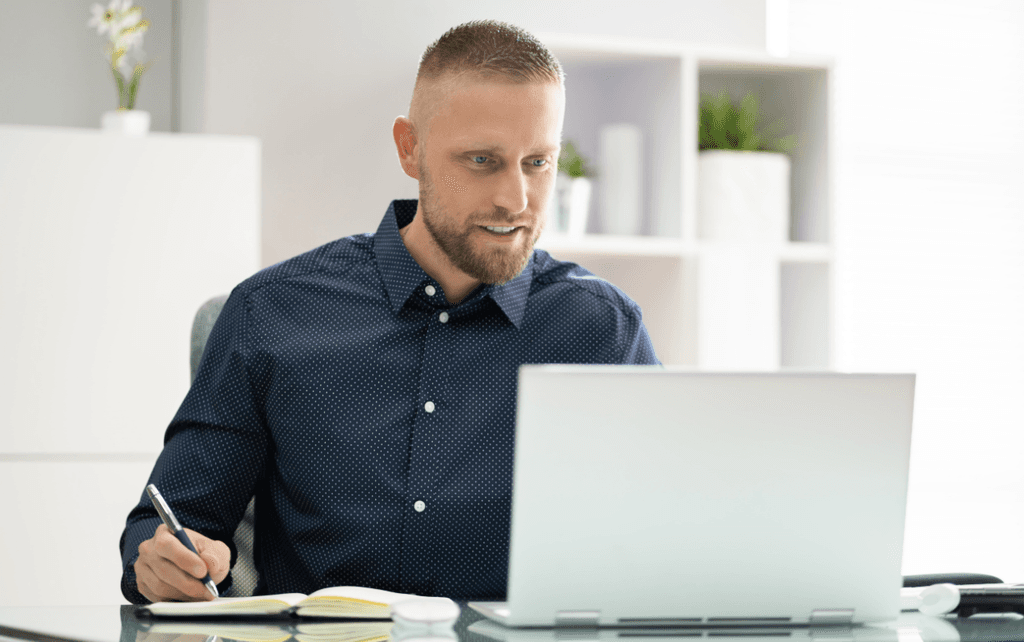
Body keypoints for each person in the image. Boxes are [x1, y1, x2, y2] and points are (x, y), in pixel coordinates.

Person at [120, 19, 660, 605]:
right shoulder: (269, 314)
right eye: (482, 160)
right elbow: (164, 525)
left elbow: (670, 538)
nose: (516, 199)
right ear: (411, 148)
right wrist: (164, 561)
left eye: (538, 162)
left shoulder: (603, 331)